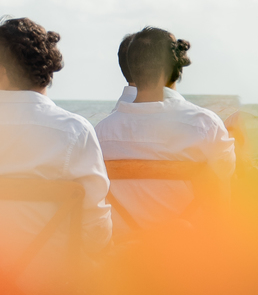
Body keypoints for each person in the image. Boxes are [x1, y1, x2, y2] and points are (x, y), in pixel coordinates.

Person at [95, 28, 235, 232]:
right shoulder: (205, 126)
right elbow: (224, 199)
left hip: (124, 255)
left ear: (131, 69)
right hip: (189, 253)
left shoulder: (100, 134)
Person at [0, 16, 111, 262]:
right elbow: (96, 234)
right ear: (48, 69)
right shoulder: (74, 131)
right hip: (50, 287)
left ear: (3, 72)